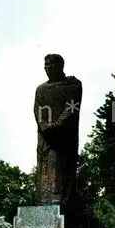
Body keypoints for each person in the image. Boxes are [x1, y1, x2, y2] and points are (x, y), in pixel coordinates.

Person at [34, 54, 82, 207]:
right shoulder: (41, 89)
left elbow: (72, 107)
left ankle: (62, 199)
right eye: (45, 66)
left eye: (51, 65)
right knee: (46, 165)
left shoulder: (72, 85)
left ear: (60, 66)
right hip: (45, 136)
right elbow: (37, 109)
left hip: (63, 136)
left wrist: (57, 125)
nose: (47, 69)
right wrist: (43, 125)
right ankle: (43, 198)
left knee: (62, 167)